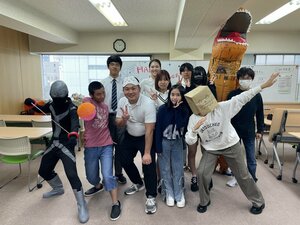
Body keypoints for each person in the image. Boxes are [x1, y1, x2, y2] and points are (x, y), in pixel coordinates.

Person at [185, 72, 279, 214]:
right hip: (210, 148)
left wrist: (264, 85)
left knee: (242, 175)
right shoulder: (194, 118)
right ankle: (205, 200)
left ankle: (258, 201)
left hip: (230, 144)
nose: (202, 104)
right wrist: (194, 130)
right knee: (203, 173)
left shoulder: (222, 108)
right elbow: (189, 140)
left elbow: (243, 97)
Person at [24, 80, 89, 223]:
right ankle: (58, 187)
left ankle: (82, 204)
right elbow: (40, 108)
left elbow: (74, 123)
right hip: (54, 143)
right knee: (43, 170)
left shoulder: (72, 108)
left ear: (65, 95)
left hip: (67, 144)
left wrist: (73, 134)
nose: (56, 101)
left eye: (58, 98)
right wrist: (32, 103)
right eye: (54, 98)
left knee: (72, 175)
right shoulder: (52, 104)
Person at [115, 76, 158, 214]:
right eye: (127, 89)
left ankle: (151, 196)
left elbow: (150, 130)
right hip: (129, 135)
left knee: (148, 164)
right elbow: (118, 123)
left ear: (139, 89)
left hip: (145, 136)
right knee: (124, 159)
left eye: (133, 88)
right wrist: (124, 119)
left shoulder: (148, 103)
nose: (130, 91)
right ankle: (138, 183)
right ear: (123, 91)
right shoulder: (122, 101)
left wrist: (146, 153)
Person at [82, 81, 121, 221]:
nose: (102, 96)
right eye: (98, 94)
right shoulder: (87, 103)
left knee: (108, 175)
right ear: (92, 95)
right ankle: (97, 185)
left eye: (103, 92)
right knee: (91, 177)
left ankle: (115, 203)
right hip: (91, 146)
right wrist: (88, 100)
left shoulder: (105, 106)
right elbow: (84, 107)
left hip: (106, 144)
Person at [226, 67, 264, 187]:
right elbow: (227, 113)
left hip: (249, 130)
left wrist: (260, 130)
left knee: (251, 157)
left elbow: (260, 113)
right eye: (242, 78)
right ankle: (235, 177)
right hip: (234, 130)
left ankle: (252, 178)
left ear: (252, 79)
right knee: (235, 157)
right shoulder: (232, 95)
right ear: (238, 79)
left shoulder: (256, 95)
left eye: (248, 78)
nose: (245, 80)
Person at [155, 84, 189, 208]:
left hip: (178, 142)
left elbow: (182, 125)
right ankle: (168, 192)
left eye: (178, 95)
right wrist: (157, 146)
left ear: (182, 97)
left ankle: (179, 193)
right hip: (164, 141)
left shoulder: (184, 110)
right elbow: (158, 128)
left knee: (178, 167)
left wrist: (178, 109)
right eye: (172, 94)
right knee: (165, 168)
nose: (174, 97)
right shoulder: (163, 109)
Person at [187, 66, 217, 192]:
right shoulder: (189, 88)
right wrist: (187, 88)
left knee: (207, 153)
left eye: (201, 74)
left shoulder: (210, 87)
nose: (198, 76)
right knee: (192, 152)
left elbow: (214, 105)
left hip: (207, 124)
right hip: (193, 124)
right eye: (196, 74)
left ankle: (206, 176)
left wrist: (212, 86)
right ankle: (194, 176)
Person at [101, 55, 127, 184]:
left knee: (120, 147)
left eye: (117, 64)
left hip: (121, 117)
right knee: (107, 147)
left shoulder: (125, 83)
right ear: (108, 66)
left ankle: (118, 173)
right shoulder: (102, 83)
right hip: (106, 118)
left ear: (120, 67)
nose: (115, 66)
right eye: (112, 64)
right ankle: (107, 175)